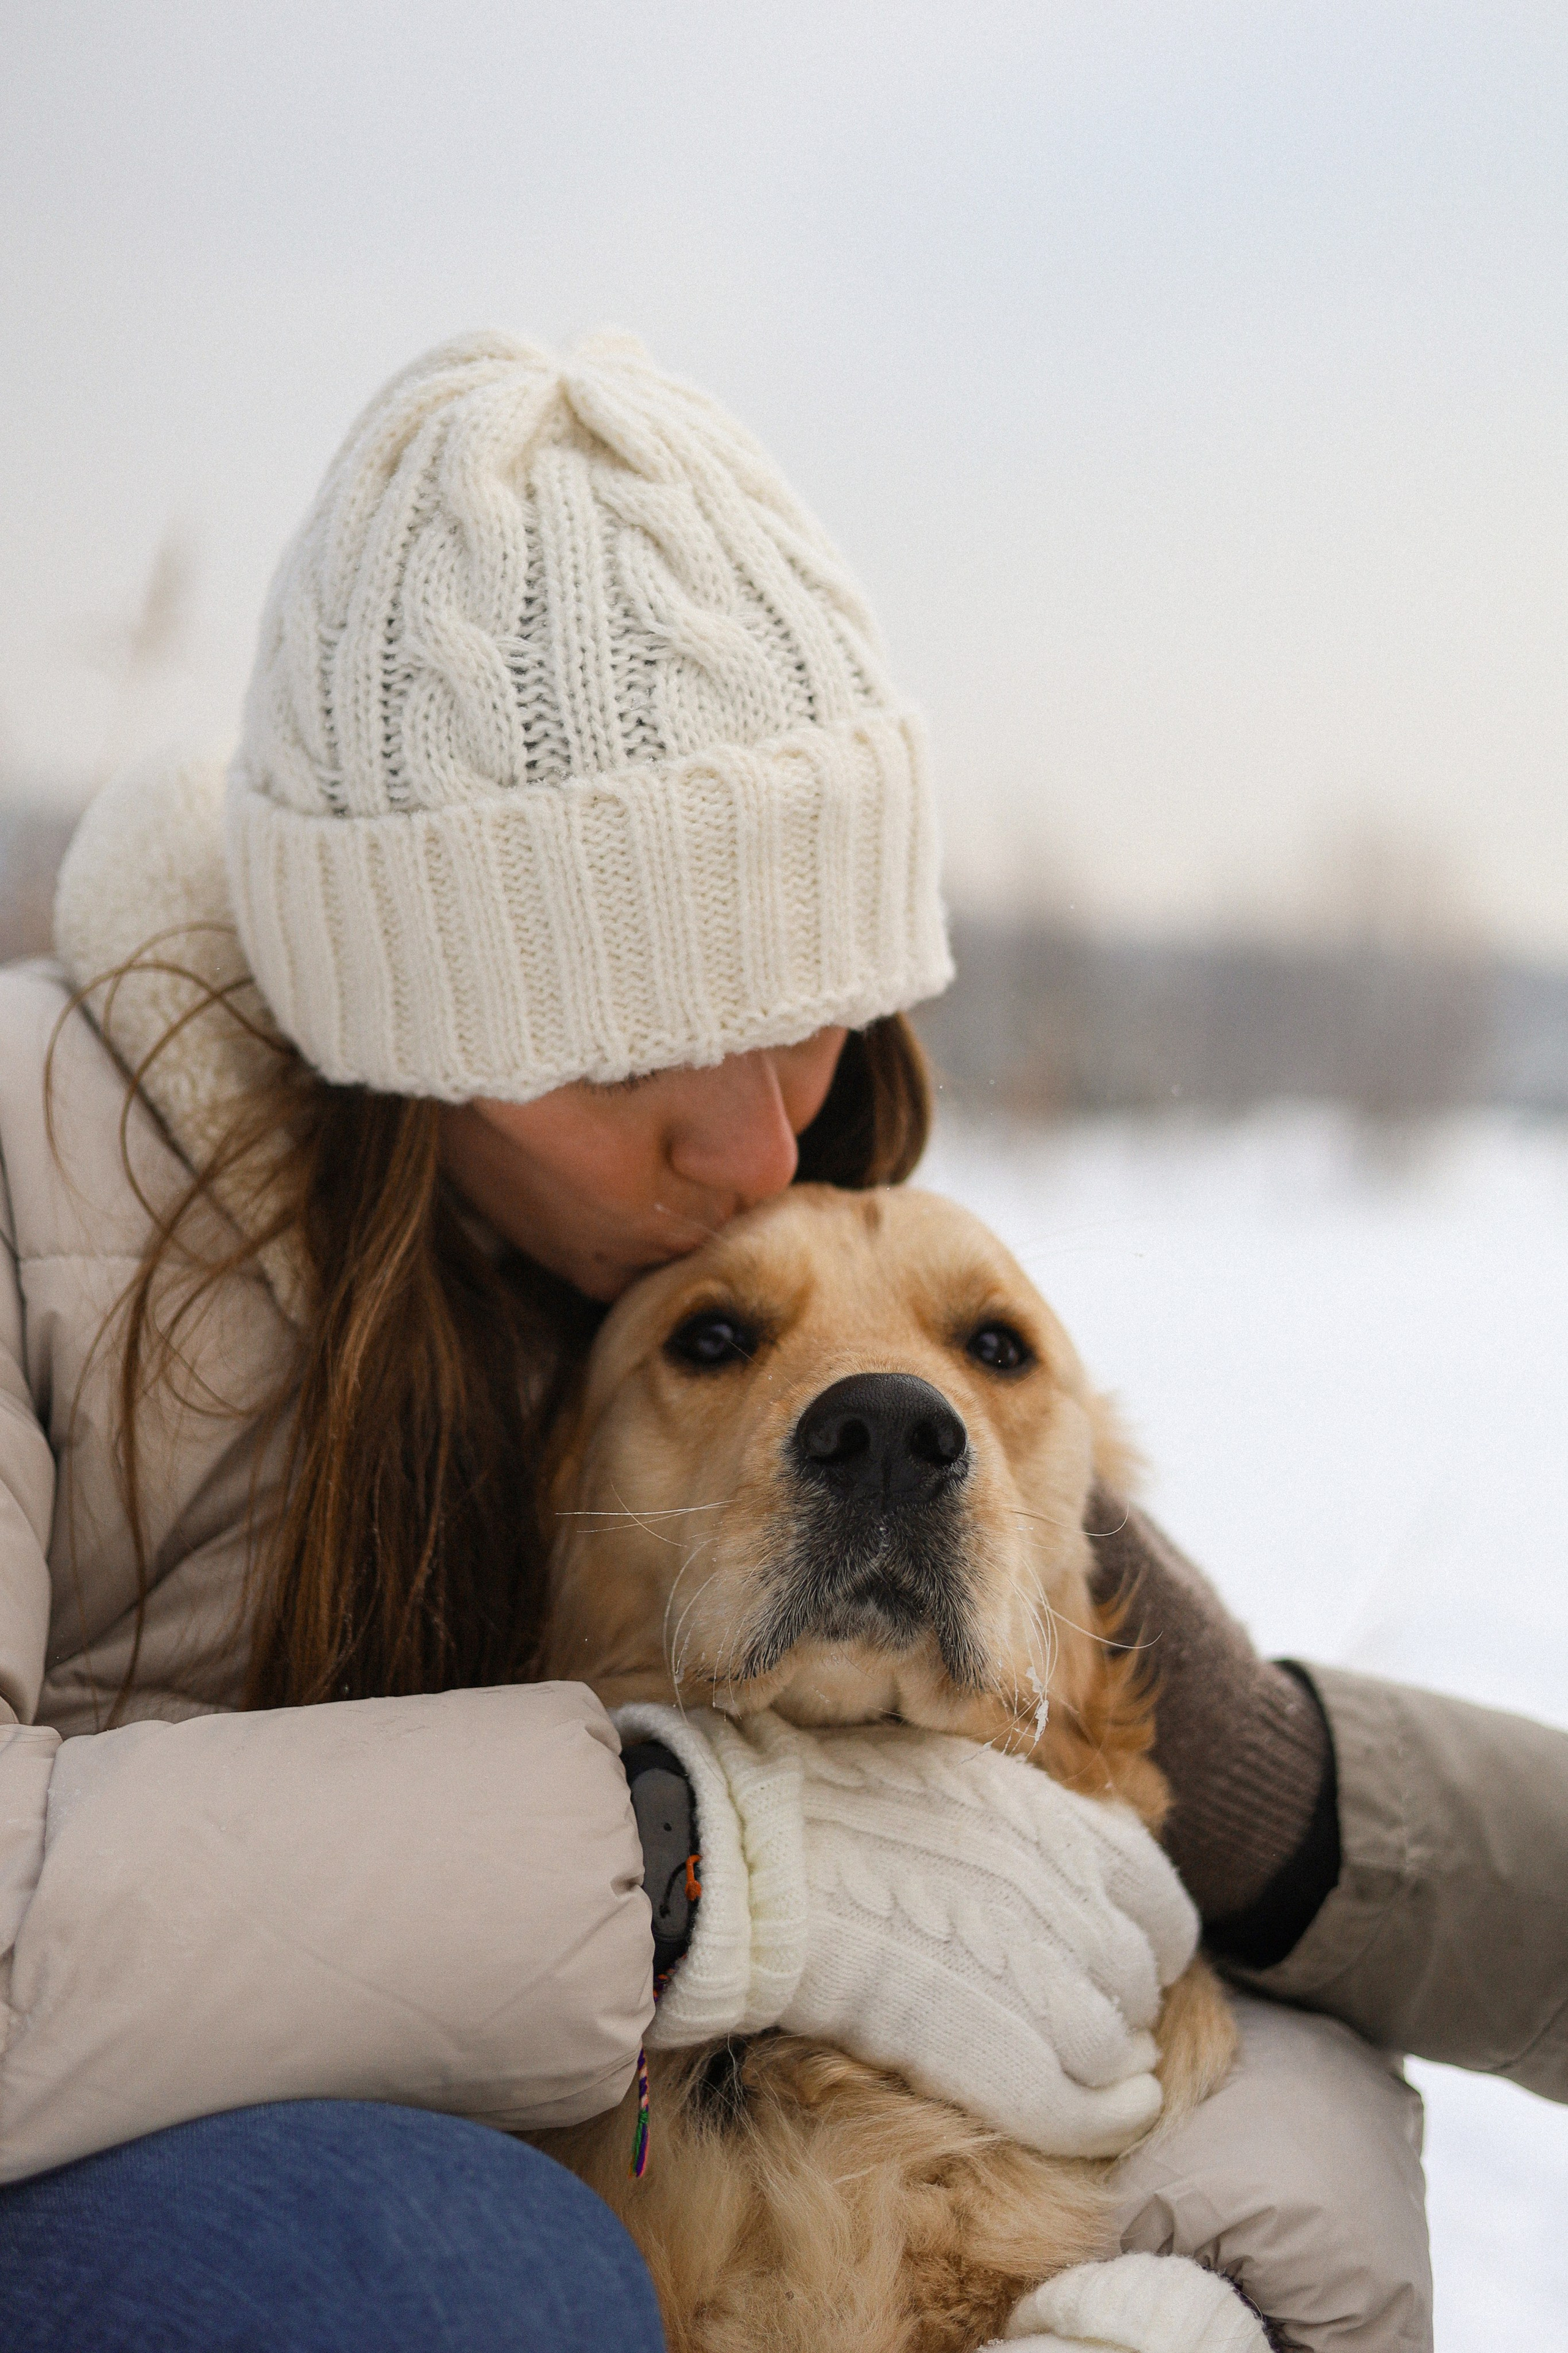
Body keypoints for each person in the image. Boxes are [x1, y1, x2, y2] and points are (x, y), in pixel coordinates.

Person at [0, 330, 1550, 2352]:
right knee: (453, 2257)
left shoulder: (645, 1227)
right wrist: (694, 1861)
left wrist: (1188, 2270)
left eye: (810, 1005)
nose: (754, 1146)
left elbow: (1215, 1931)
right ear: (408, 1031)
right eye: (619, 1047)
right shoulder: (48, 1186)